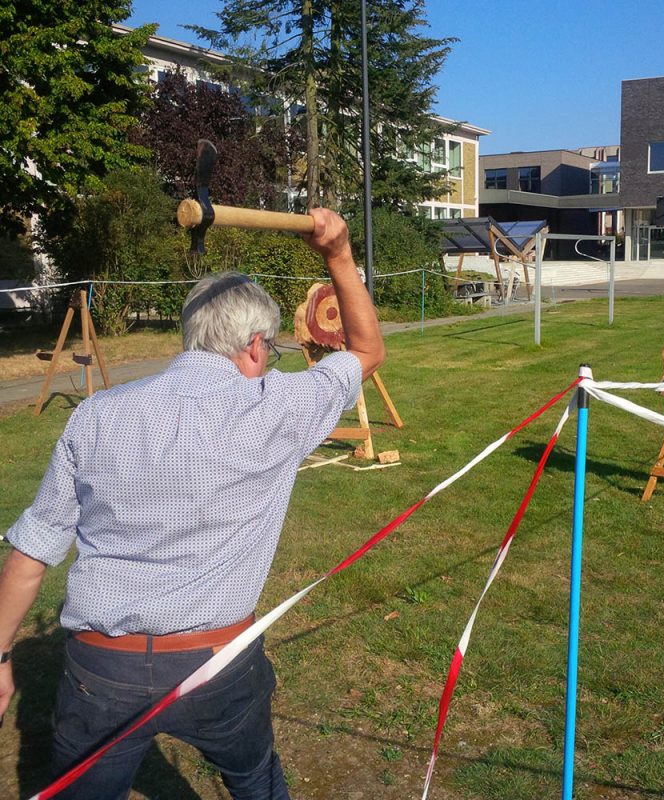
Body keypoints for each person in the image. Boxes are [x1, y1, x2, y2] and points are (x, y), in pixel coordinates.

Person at [0, 207, 385, 800]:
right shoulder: (279, 406)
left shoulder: (97, 415)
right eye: (271, 349)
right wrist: (338, 254)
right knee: (255, 781)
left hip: (103, 668)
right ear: (254, 346)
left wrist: (1, 653)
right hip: (219, 663)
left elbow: (33, 552)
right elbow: (366, 349)